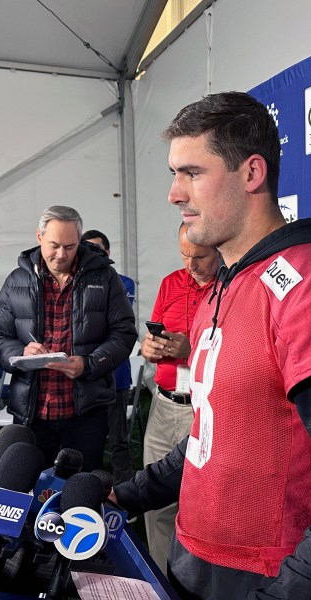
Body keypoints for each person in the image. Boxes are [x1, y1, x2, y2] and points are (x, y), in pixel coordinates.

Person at [111, 92, 311, 599]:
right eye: (174, 174)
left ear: (252, 174)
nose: (173, 193)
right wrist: (126, 493)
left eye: (191, 173)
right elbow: (218, 436)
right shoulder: (226, 285)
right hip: (192, 565)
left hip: (264, 581)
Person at [0, 206, 137, 472]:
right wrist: (21, 352)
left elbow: (124, 333)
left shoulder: (104, 277)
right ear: (39, 237)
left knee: (80, 493)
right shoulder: (17, 279)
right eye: (54, 245)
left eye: (70, 246)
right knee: (30, 493)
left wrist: (88, 364)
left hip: (85, 411)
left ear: (79, 240)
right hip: (32, 411)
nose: (61, 255)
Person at [140, 222, 219, 574]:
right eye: (185, 255)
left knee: (204, 505)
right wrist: (150, 349)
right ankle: (160, 583)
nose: (191, 264)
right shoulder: (171, 283)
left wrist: (192, 350)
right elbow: (150, 345)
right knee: (155, 506)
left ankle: (195, 583)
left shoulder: (232, 287)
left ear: (218, 249)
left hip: (205, 410)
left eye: (200, 257)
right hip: (164, 405)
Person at [80, 229, 136, 485]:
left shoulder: (122, 282)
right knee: (87, 441)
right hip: (85, 377)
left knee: (119, 440)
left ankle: (123, 497)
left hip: (116, 375)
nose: (91, 254)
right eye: (86, 248)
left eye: (97, 249)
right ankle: (86, 493)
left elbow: (112, 325)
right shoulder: (75, 283)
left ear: (108, 253)